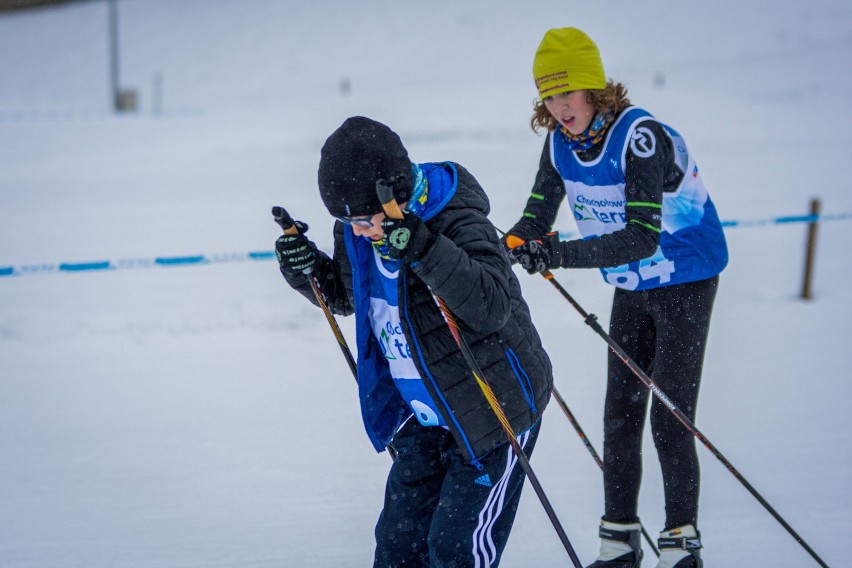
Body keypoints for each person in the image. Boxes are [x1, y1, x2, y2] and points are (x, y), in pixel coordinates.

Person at [274, 116, 554, 568]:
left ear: (396, 197)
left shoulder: (456, 218)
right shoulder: (358, 232)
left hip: (491, 415)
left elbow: (491, 305)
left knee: (455, 549)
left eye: (365, 220)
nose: (358, 231)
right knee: (398, 547)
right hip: (423, 418)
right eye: (347, 222)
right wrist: (305, 270)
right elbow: (348, 297)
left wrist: (423, 248)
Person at [502, 28, 728, 568]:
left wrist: (556, 255)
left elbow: (640, 236)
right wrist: (510, 246)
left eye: (567, 93)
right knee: (619, 414)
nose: (559, 108)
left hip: (684, 277)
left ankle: (680, 547)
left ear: (595, 89)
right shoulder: (559, 143)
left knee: (670, 418)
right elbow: (537, 215)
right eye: (548, 96)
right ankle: (618, 545)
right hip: (632, 282)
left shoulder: (640, 137)